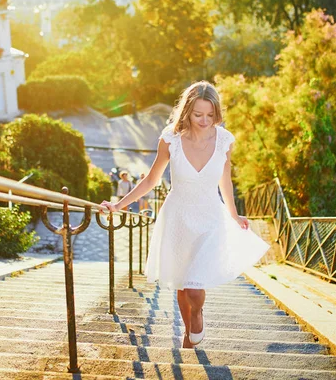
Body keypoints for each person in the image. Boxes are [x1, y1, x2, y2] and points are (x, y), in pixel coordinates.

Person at [100, 80, 270, 349]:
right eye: (198, 114)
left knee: (193, 284)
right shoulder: (171, 139)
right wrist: (119, 205)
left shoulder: (224, 140)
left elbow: (225, 181)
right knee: (181, 281)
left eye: (210, 115)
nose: (205, 121)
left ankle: (198, 313)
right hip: (178, 217)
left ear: (217, 113)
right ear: (187, 111)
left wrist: (235, 216)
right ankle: (187, 332)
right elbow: (151, 180)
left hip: (210, 218)